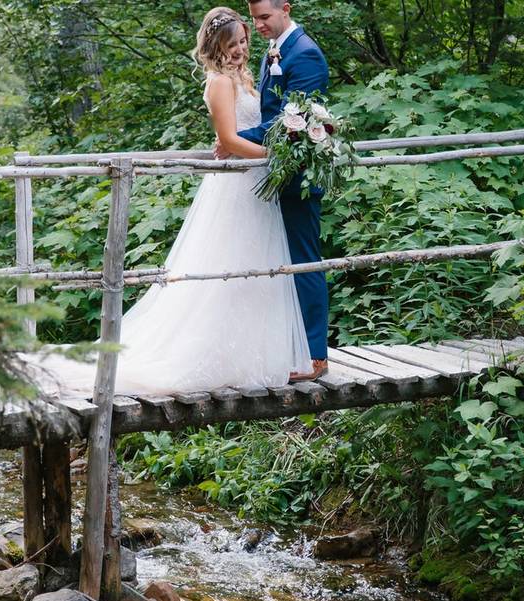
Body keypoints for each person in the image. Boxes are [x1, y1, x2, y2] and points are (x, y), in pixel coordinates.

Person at [21, 6, 311, 396]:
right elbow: (228, 141)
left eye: (243, 41)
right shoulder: (219, 83)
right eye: (233, 45)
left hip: (254, 184)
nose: (241, 49)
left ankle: (251, 352)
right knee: (228, 267)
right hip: (237, 185)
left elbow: (251, 128)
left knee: (254, 270)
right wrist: (275, 157)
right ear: (216, 47)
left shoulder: (241, 77)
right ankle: (217, 353)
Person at [217, 0, 331, 382]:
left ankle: (315, 356)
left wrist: (234, 140)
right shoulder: (276, 50)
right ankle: (287, 349)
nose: (258, 26)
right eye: (254, 19)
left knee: (303, 261)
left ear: (286, 8)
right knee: (277, 264)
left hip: (296, 179)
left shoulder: (307, 54)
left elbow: (289, 123)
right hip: (271, 175)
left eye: (264, 17)